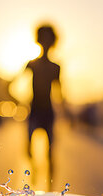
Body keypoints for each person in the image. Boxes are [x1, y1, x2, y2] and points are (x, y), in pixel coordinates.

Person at [24, 24, 63, 177]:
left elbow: (59, 92)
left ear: (53, 42)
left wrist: (67, 111)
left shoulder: (55, 67)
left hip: (48, 112)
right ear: (38, 40)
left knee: (51, 153)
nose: (46, 42)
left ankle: (51, 189)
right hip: (34, 111)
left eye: (49, 38)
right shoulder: (31, 64)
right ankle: (34, 172)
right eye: (43, 38)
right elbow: (11, 84)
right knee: (28, 150)